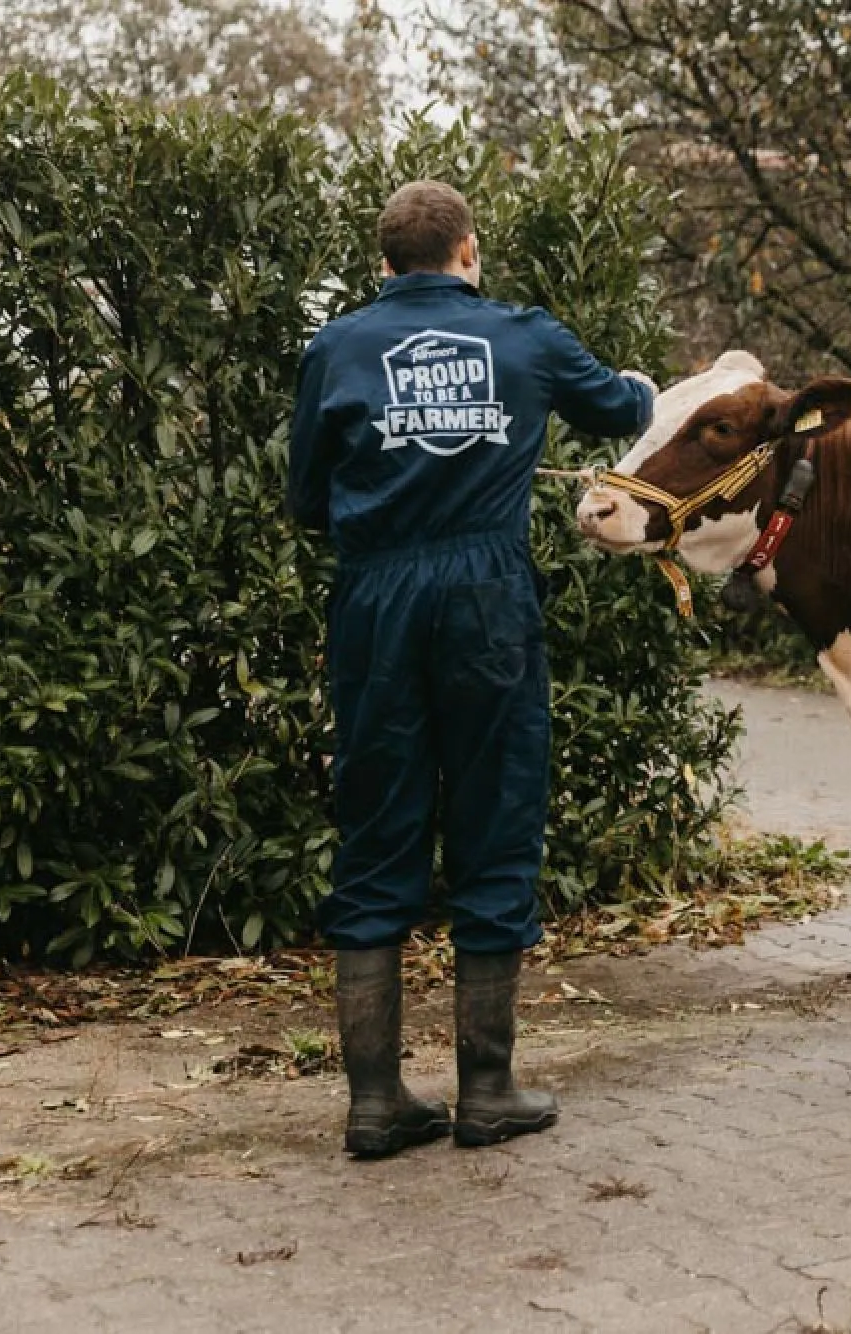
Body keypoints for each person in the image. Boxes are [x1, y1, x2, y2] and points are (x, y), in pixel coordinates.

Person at [288, 180, 655, 1157]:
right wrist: (648, 388)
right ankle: (486, 1088)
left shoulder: (335, 348)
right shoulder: (524, 337)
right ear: (468, 251)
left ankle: (375, 1100)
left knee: (377, 827)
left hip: (374, 602)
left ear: (383, 263)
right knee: (495, 815)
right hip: (485, 598)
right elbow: (622, 407)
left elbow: (307, 501)